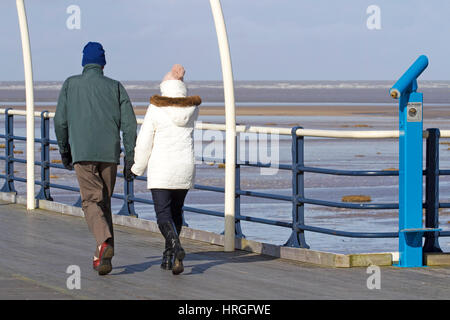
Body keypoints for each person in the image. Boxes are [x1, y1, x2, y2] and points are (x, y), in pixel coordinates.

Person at [54, 42, 137, 276]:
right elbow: (129, 125)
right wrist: (130, 157)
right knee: (104, 203)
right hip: (109, 155)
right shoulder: (115, 87)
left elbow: (60, 122)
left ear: (84, 62)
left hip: (83, 153)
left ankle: (104, 244)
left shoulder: (71, 84)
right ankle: (104, 258)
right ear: (103, 63)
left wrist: (65, 151)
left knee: (91, 201)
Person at [131, 64, 201, 275]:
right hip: (184, 166)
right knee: (176, 212)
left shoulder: (155, 108)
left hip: (162, 167)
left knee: (163, 214)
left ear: (164, 87)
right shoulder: (193, 108)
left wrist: (137, 168)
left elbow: (144, 141)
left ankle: (176, 247)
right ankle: (169, 256)